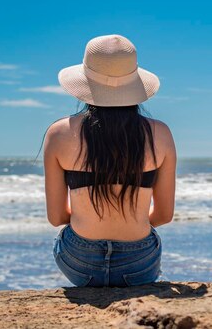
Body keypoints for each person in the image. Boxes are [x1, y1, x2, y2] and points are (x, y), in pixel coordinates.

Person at [43, 34, 176, 287]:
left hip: (79, 262)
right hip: (140, 263)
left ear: (84, 82)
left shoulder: (59, 133)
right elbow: (163, 215)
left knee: (64, 236)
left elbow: (57, 216)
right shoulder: (161, 134)